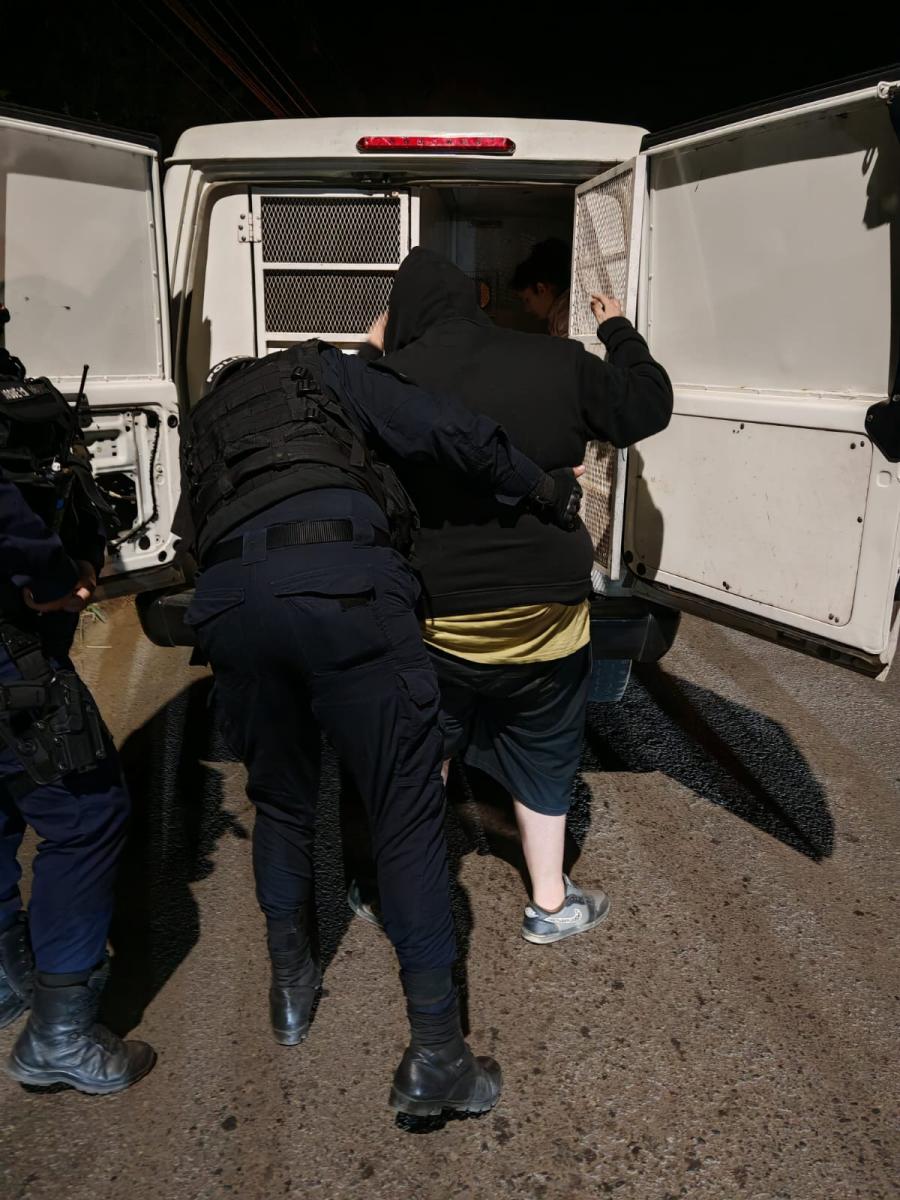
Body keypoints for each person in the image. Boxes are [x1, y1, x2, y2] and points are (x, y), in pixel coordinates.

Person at [177, 338, 581, 1119]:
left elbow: (189, 537)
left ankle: (291, 993)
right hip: (346, 583)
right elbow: (446, 429)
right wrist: (540, 486)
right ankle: (437, 1056)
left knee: (281, 801)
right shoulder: (323, 369)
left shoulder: (209, 420)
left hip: (231, 602)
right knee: (404, 810)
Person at [355, 247, 673, 945]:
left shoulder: (387, 382)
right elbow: (649, 405)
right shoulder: (558, 362)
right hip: (545, 620)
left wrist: (372, 348)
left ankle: (398, 893)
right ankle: (550, 904)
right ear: (475, 302)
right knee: (545, 752)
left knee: (422, 755)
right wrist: (617, 329)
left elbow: (333, 424)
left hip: (434, 623)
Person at [0, 329, 155, 1094]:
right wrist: (60, 575)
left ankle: (7, 978)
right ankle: (57, 1037)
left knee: (4, 803)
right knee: (87, 813)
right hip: (12, 655)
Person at [511, 238, 572, 337]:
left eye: (527, 300)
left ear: (541, 289)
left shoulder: (565, 320)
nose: (527, 309)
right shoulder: (558, 315)